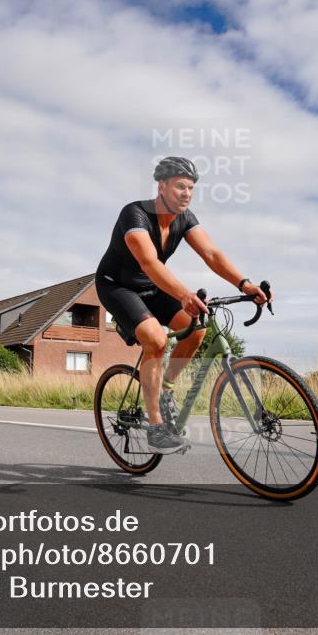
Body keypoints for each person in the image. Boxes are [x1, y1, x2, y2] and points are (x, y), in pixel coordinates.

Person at [95, 157, 271, 454]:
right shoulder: (135, 214)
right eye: (180, 186)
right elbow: (149, 263)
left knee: (196, 331)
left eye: (190, 188)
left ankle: (165, 389)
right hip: (117, 285)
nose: (186, 193)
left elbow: (212, 254)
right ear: (161, 186)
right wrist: (185, 295)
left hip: (153, 287)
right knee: (156, 340)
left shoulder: (185, 218)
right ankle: (155, 427)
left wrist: (245, 284)